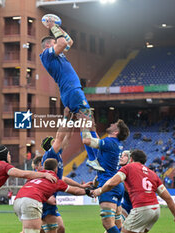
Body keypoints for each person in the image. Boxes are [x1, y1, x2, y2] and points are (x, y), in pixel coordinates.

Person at [40, 18, 101, 171]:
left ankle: (94, 157)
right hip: (72, 91)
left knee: (88, 122)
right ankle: (94, 158)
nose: (57, 44)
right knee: (87, 122)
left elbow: (69, 42)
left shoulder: (57, 55)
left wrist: (58, 27)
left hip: (71, 91)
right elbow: (61, 43)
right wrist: (53, 26)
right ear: (49, 45)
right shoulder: (47, 54)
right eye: (54, 42)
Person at [93, 150, 175, 233]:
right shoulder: (152, 174)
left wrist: (100, 190)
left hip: (140, 209)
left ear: (131, 159)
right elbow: (168, 198)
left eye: (124, 156)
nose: (121, 157)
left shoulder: (127, 169)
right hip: (154, 210)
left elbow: (111, 184)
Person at [40, 117, 92, 233]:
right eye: (53, 141)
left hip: (51, 196)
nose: (56, 141)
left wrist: (72, 124)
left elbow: (66, 138)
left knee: (59, 228)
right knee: (46, 229)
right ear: (51, 145)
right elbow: (60, 137)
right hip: (45, 198)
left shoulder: (57, 155)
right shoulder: (50, 155)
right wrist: (66, 118)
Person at [14, 158, 93, 233]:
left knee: (57, 227)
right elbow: (75, 191)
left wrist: (81, 186)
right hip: (32, 201)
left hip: (18, 200)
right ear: (56, 169)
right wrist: (89, 192)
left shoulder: (35, 176)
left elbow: (33, 187)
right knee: (35, 230)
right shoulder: (55, 180)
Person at [81, 118, 130, 233]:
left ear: (116, 132)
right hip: (117, 186)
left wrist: (83, 124)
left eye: (115, 124)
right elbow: (99, 143)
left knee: (107, 223)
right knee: (118, 223)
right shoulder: (114, 144)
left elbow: (86, 141)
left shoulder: (110, 142)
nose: (111, 123)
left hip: (108, 185)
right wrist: (92, 128)